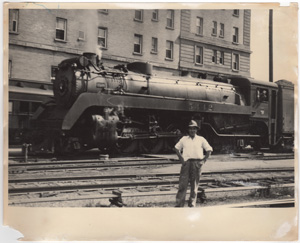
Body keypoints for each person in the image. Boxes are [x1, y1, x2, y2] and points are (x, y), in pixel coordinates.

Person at [174, 120, 213, 207]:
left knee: (194, 187)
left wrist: (203, 161)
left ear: (196, 130)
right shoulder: (184, 139)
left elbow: (209, 150)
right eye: (190, 129)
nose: (192, 131)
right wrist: (182, 160)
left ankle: (191, 205)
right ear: (188, 130)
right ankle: (179, 205)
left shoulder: (201, 139)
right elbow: (176, 148)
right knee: (182, 186)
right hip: (186, 164)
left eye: (194, 129)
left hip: (197, 164)